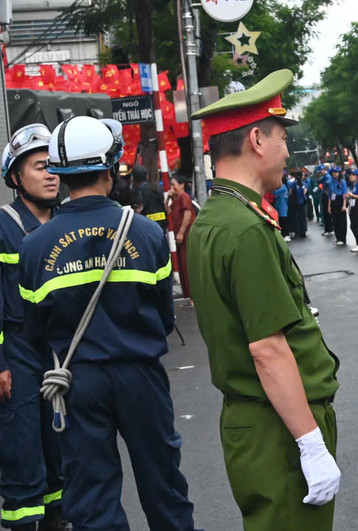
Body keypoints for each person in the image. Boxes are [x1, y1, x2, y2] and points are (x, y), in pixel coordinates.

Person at [18, 116, 196, 530]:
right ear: (112, 167)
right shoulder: (146, 235)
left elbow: (35, 332)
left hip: (76, 382)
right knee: (164, 486)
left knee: (93, 497)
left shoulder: (34, 247)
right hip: (141, 376)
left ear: (60, 174)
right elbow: (164, 318)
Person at [187, 70, 340, 531]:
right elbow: (268, 349)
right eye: (282, 139)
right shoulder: (246, 227)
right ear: (256, 140)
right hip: (280, 427)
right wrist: (310, 443)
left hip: (258, 422)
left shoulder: (216, 217)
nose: (287, 152)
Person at [0, 125, 66, 531]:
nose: (51, 175)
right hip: (18, 349)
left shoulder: (67, 222)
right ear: (15, 177)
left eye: (54, 166)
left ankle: (58, 517)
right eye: (41, 167)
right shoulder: (3, 226)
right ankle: (23, 522)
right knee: (22, 445)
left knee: (60, 442)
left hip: (59, 350)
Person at [168, 174, 196, 303]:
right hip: (180, 237)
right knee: (182, 265)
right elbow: (168, 211)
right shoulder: (176, 199)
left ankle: (193, 296)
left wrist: (181, 232)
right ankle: (189, 296)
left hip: (186, 235)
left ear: (181, 185)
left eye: (174, 184)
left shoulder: (184, 197)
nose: (172, 187)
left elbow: (187, 214)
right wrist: (168, 198)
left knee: (187, 264)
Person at [131, 164, 167, 231]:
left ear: (133, 178)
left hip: (146, 229)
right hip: (161, 228)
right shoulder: (156, 190)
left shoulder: (137, 193)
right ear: (147, 176)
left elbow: (137, 212)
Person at [328, 167, 348, 246]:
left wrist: (344, 205)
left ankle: (342, 239)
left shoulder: (342, 182)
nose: (334, 173)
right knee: (335, 220)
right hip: (333, 201)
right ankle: (338, 238)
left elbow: (344, 194)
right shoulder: (331, 182)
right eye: (333, 172)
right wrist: (329, 206)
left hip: (340, 201)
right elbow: (330, 196)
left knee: (341, 221)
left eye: (336, 172)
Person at [321, 167, 335, 237]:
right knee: (325, 213)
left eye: (322, 170)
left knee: (327, 213)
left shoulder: (328, 177)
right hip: (325, 194)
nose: (321, 172)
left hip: (327, 196)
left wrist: (327, 194)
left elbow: (329, 188)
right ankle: (328, 229)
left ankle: (329, 229)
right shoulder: (324, 177)